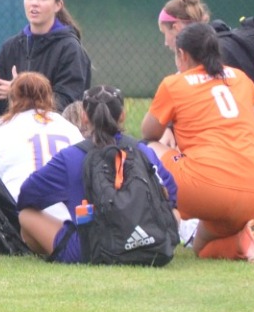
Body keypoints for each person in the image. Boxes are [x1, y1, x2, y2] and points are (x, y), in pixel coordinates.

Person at [140, 23, 254, 261]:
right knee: (201, 249)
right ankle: (246, 241)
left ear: (182, 54)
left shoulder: (175, 83)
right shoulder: (241, 79)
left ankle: (148, 231)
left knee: (147, 148)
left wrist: (170, 131)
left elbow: (148, 131)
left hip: (206, 185)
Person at [15, 87, 178, 263]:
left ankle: (54, 254)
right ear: (122, 115)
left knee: (25, 215)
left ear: (84, 117)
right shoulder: (143, 151)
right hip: (150, 244)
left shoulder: (70, 157)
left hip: (91, 252)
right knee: (175, 213)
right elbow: (171, 194)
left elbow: (27, 195)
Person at [0, 0, 91, 119]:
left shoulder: (70, 49)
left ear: (58, 5)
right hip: (18, 134)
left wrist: (20, 92)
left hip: (55, 135)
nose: (34, 3)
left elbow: (68, 104)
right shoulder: (11, 47)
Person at [0, 71, 81, 199]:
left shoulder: (0, 126)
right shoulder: (66, 125)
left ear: (12, 98)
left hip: (18, 209)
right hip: (65, 208)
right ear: (49, 97)